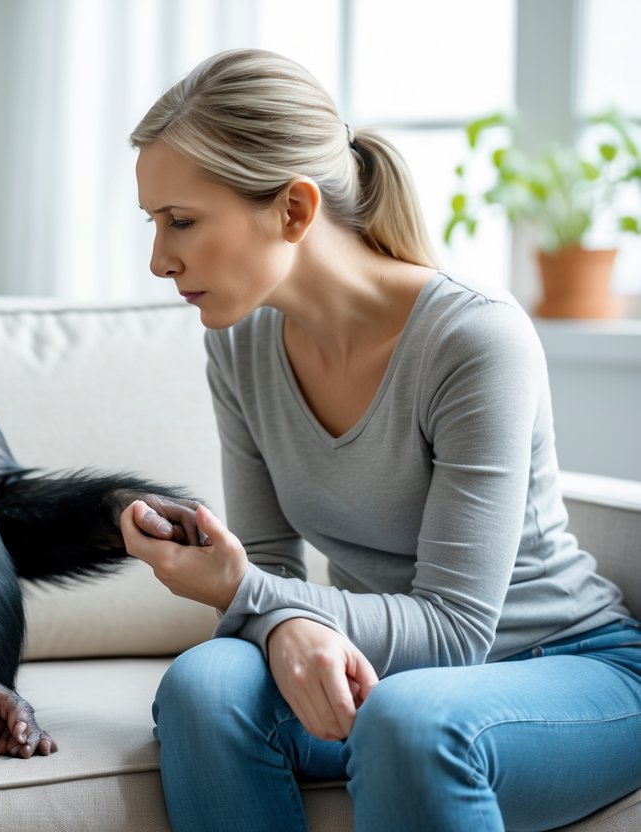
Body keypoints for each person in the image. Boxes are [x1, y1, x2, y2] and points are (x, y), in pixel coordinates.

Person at [117, 48, 641, 832]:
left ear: (293, 210)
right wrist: (278, 611)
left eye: (181, 221)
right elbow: (269, 568)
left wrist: (243, 595)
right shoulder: (237, 343)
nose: (159, 259)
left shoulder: (473, 339)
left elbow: (457, 630)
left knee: (413, 720)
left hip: (565, 669)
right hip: (388, 673)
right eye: (154, 223)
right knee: (205, 686)